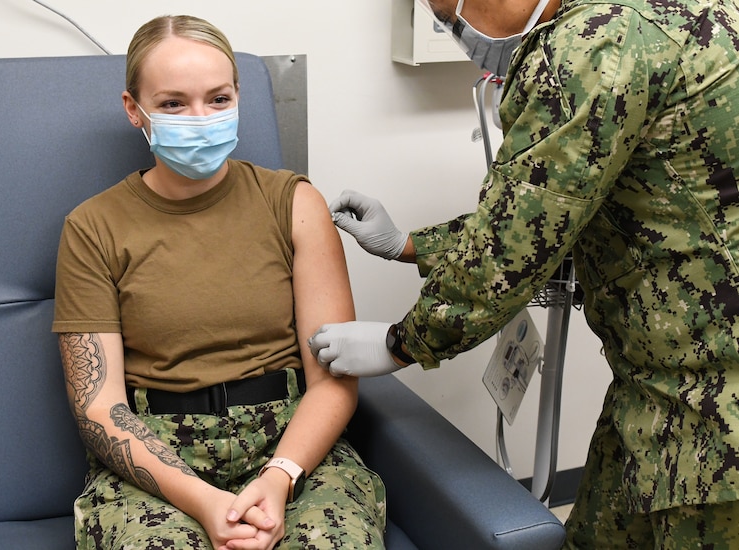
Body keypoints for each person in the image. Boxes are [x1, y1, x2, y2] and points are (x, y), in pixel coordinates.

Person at [308, 0, 739, 547]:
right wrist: (409, 245)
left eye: (447, 13)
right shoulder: (690, 13)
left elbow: (510, 252)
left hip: (710, 409)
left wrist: (401, 343)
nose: (456, 31)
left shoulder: (591, 45)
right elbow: (554, 212)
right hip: (660, 390)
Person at [52, 15, 386, 550]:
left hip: (290, 444)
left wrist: (279, 478)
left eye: (218, 98)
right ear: (133, 109)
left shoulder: (295, 204)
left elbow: (332, 378)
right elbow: (99, 406)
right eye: (172, 103)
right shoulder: (92, 228)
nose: (200, 118)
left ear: (238, 98)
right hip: (155, 460)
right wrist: (206, 503)